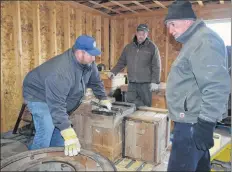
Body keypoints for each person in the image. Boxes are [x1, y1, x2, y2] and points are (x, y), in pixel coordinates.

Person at [164, 1, 230, 171]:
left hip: (192, 124)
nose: (170, 31)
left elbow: (216, 85)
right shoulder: (195, 41)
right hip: (191, 121)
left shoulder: (203, 40)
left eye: (172, 24)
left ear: (187, 20)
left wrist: (206, 123)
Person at [23, 35, 112, 156]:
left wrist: (103, 98)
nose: (93, 58)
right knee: (47, 129)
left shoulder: (89, 64)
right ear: (80, 53)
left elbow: (95, 81)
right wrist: (68, 131)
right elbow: (57, 105)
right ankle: (33, 161)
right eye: (91, 54)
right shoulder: (61, 72)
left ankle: (54, 159)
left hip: (55, 94)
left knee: (60, 138)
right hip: (38, 94)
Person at [108, 24, 161, 108]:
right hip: (132, 83)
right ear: (136, 33)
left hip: (145, 84)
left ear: (147, 34)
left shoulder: (152, 47)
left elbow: (156, 66)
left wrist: (155, 81)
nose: (141, 36)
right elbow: (121, 62)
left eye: (144, 34)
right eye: (140, 33)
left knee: (146, 107)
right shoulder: (128, 48)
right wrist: (113, 71)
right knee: (130, 105)